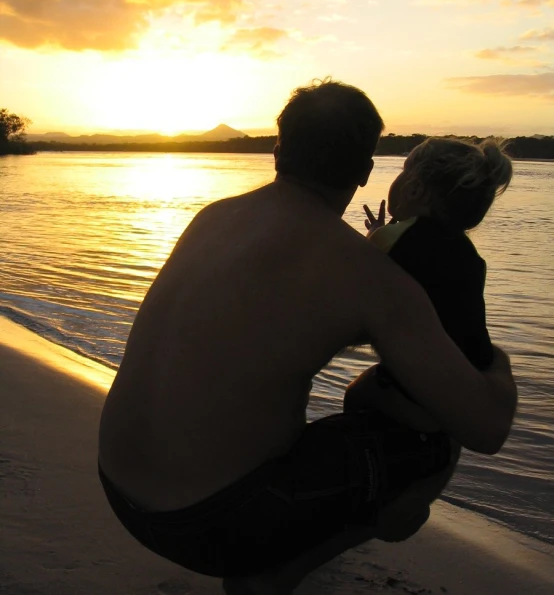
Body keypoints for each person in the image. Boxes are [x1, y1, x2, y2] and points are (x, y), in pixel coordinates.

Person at [98, 80, 517, 595]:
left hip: (118, 488)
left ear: (279, 152)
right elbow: (486, 428)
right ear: (366, 172)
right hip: (210, 525)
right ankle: (275, 568)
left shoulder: (213, 217)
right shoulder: (368, 275)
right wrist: (495, 360)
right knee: (430, 442)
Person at [344, 137, 513, 541]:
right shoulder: (471, 258)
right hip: (467, 385)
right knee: (439, 434)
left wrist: (378, 238)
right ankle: (421, 486)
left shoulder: (396, 240)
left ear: (416, 189)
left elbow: (362, 273)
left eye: (403, 172)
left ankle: (364, 475)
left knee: (358, 393)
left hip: (411, 393)